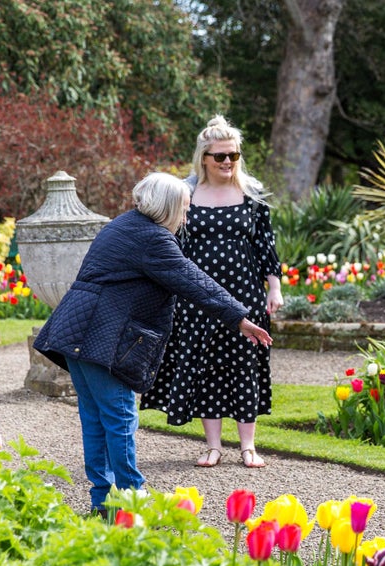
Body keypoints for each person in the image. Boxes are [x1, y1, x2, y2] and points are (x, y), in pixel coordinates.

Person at [34, 172, 271, 516]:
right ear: (169, 207)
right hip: (102, 337)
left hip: (78, 335)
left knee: (96, 418)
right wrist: (239, 316)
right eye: (184, 210)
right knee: (120, 417)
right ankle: (133, 497)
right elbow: (194, 281)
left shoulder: (123, 225)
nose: (186, 218)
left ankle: (102, 501)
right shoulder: (152, 239)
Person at [142, 116, 283, 469]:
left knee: (245, 363)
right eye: (219, 156)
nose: (226, 163)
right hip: (197, 297)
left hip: (245, 294)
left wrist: (274, 287)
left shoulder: (252, 194)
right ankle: (214, 445)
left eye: (233, 156)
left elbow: (265, 245)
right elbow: (169, 242)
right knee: (205, 366)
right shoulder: (186, 193)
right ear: (203, 157)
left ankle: (248, 445)